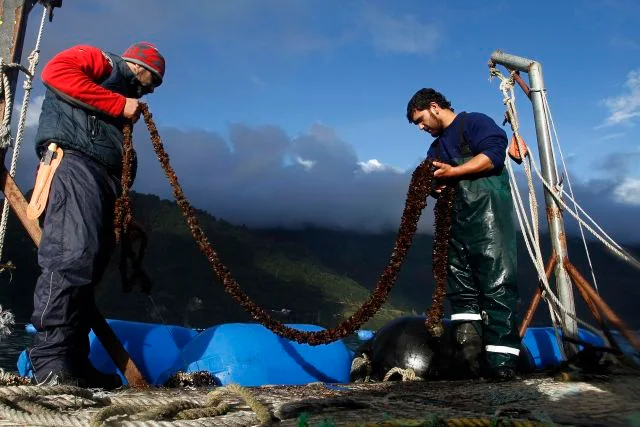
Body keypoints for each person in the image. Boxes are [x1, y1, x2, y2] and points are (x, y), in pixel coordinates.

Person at [27, 42, 165, 388]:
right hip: (75, 162)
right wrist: (120, 104)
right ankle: (50, 359)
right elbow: (56, 73)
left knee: (90, 266)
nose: (152, 89)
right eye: (154, 80)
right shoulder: (99, 60)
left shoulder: (122, 106)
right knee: (72, 254)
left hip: (103, 178)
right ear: (140, 65)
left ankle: (74, 360)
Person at [406, 88, 520, 380]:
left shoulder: (474, 123)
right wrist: (435, 186)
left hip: (488, 217)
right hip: (455, 225)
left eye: (420, 120)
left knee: (496, 285)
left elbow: (493, 156)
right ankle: (469, 361)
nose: (421, 128)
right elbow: (437, 180)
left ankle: (502, 365)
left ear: (434, 107)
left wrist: (454, 173)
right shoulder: (435, 148)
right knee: (462, 292)